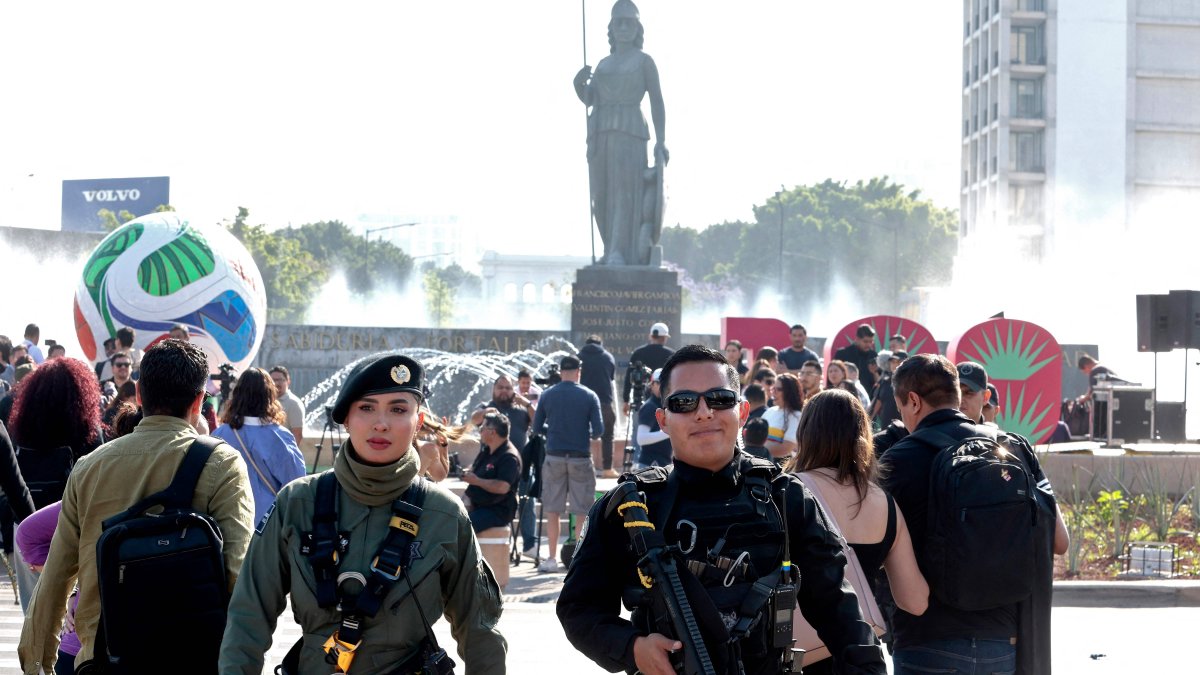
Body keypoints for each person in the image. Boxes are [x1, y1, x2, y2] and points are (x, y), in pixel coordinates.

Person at [557, 345, 887, 675]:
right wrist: (633, 648)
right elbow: (579, 608)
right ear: (663, 419)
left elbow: (839, 611)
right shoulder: (631, 507)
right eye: (684, 403)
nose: (704, 413)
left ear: (742, 412)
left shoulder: (785, 497)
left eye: (719, 399)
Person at [219, 353, 507, 674]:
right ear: (345, 418)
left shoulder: (445, 515)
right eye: (366, 408)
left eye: (398, 409)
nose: (381, 423)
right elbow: (248, 616)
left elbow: (481, 632)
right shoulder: (298, 503)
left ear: (419, 422)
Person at [19, 340, 255, 674]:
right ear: (199, 401)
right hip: (192, 655)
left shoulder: (89, 467)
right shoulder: (222, 464)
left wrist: (36, 660)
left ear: (140, 394)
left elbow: (56, 574)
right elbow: (237, 573)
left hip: (106, 655)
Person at [880, 354, 1068, 675]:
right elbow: (1059, 541)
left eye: (901, 409)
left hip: (925, 642)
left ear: (912, 401)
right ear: (956, 394)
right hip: (1002, 641)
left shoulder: (894, 461)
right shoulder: (1012, 450)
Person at [784, 390, 929, 675]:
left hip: (793, 654)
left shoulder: (786, 490)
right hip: (858, 657)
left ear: (806, 434)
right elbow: (915, 601)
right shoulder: (884, 504)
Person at [7, 357, 108, 609]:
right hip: (71, 523)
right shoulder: (88, 430)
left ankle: (35, 647)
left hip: (26, 524)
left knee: (34, 609)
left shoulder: (19, 428)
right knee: (71, 609)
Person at [574, 0, 668, 266]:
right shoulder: (603, 64)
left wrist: (661, 142)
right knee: (601, 197)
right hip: (600, 132)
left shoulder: (644, 62)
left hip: (630, 131)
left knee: (624, 194)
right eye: (619, 22)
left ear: (637, 27)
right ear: (611, 27)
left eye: (629, 22)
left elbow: (657, 101)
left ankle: (618, 251)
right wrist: (578, 84)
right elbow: (591, 99)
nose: (624, 27)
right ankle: (608, 249)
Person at [531, 355, 604, 572]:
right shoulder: (590, 396)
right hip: (580, 456)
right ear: (578, 371)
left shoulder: (547, 395)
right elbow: (599, 431)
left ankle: (552, 558)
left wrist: (553, 431)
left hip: (554, 456)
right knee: (581, 510)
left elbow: (536, 428)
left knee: (553, 510)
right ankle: (578, 557)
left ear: (561, 371)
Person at [211, 367, 306, 525]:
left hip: (226, 522)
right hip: (268, 524)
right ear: (269, 396)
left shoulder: (219, 434)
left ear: (237, 395)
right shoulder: (281, 437)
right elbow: (297, 486)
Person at [471, 374, 536, 555]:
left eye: (508, 388)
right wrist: (488, 412)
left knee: (528, 502)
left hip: (519, 467)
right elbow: (474, 418)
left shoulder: (520, 411)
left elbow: (538, 421)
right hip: (492, 470)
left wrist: (526, 403)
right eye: (500, 387)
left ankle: (530, 544)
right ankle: (491, 544)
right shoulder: (486, 408)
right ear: (494, 389)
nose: (504, 391)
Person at [463, 411, 522, 535]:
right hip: (479, 504)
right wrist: (469, 472)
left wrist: (477, 481)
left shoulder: (509, 457)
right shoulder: (487, 450)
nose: (480, 431)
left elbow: (503, 487)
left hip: (497, 510)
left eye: (482, 428)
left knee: (461, 527)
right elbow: (476, 468)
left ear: (492, 432)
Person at [579, 335, 619, 478]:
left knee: (580, 435)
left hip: (582, 403)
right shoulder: (608, 357)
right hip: (604, 403)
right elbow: (612, 377)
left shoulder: (579, 357)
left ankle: (583, 468)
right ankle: (607, 469)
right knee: (607, 436)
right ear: (600, 343)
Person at [624, 322, 674, 413]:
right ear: (665, 338)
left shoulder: (638, 353)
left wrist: (625, 400)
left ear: (650, 336)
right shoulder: (671, 355)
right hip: (664, 400)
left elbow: (629, 377)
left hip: (641, 398)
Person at [635, 368, 671, 468]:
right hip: (650, 465)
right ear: (652, 385)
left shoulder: (665, 405)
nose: (662, 386)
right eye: (658, 383)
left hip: (662, 464)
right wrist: (669, 431)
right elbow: (641, 439)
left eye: (665, 383)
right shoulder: (649, 407)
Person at [763, 372, 803, 460]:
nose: (774, 392)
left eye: (779, 389)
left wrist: (756, 448)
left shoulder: (797, 416)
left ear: (790, 392)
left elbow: (786, 448)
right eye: (773, 388)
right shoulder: (769, 411)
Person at [835, 323, 879, 392]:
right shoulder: (843, 353)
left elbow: (879, 382)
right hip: (846, 393)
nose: (869, 344)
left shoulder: (874, 355)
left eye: (871, 341)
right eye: (865, 341)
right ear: (857, 339)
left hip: (868, 395)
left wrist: (874, 372)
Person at [269, 365, 306, 443]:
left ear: (288, 381)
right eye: (273, 380)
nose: (276, 383)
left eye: (279, 380)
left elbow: (297, 434)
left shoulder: (294, 403)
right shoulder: (267, 401)